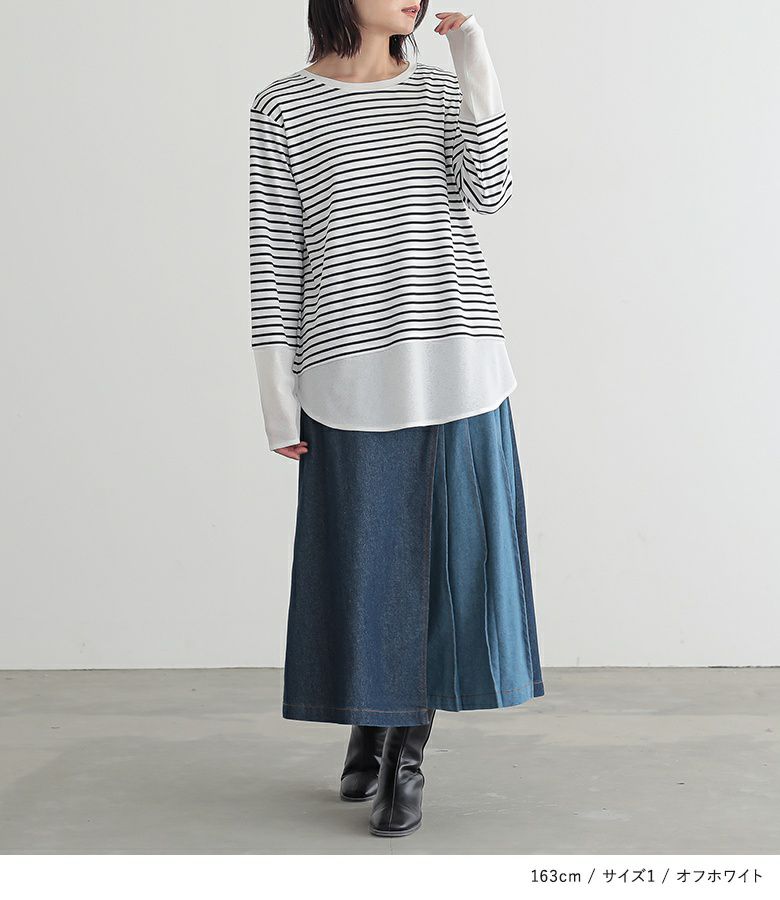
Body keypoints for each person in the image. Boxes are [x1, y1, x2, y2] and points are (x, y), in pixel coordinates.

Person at [249, 0, 544, 838]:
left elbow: (492, 192)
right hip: (347, 374)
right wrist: (277, 396)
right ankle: (370, 721)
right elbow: (274, 254)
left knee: (446, 572)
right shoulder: (281, 106)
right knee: (366, 567)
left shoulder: (441, 93)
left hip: (458, 365)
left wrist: (473, 61)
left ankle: (403, 756)